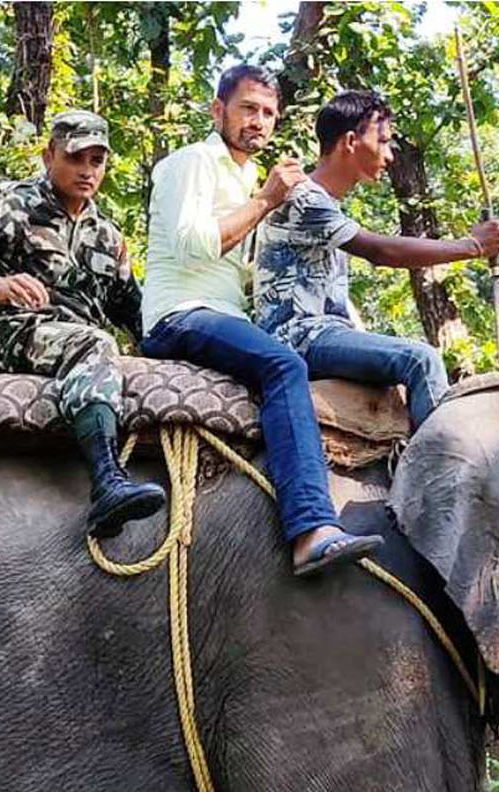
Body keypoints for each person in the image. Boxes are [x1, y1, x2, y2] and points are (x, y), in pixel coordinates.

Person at [142, 64, 381, 577]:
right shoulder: (191, 162)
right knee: (283, 366)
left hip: (228, 315)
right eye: (248, 108)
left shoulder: (247, 176)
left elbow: (255, 272)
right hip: (181, 314)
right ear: (218, 111)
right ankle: (311, 529)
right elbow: (193, 248)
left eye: (269, 113)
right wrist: (267, 200)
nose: (259, 121)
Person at [0, 110, 166, 539]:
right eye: (76, 158)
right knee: (96, 343)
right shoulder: (9, 204)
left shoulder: (108, 235)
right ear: (50, 154)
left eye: (97, 161)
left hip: (84, 343)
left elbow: (133, 310)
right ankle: (108, 479)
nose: (88, 171)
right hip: (19, 332)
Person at [254, 90, 499, 429]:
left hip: (322, 333)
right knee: (421, 360)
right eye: (383, 141)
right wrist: (472, 246)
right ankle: (443, 474)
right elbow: (380, 251)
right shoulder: (305, 198)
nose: (389, 156)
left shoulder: (327, 203)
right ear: (349, 141)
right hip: (299, 337)